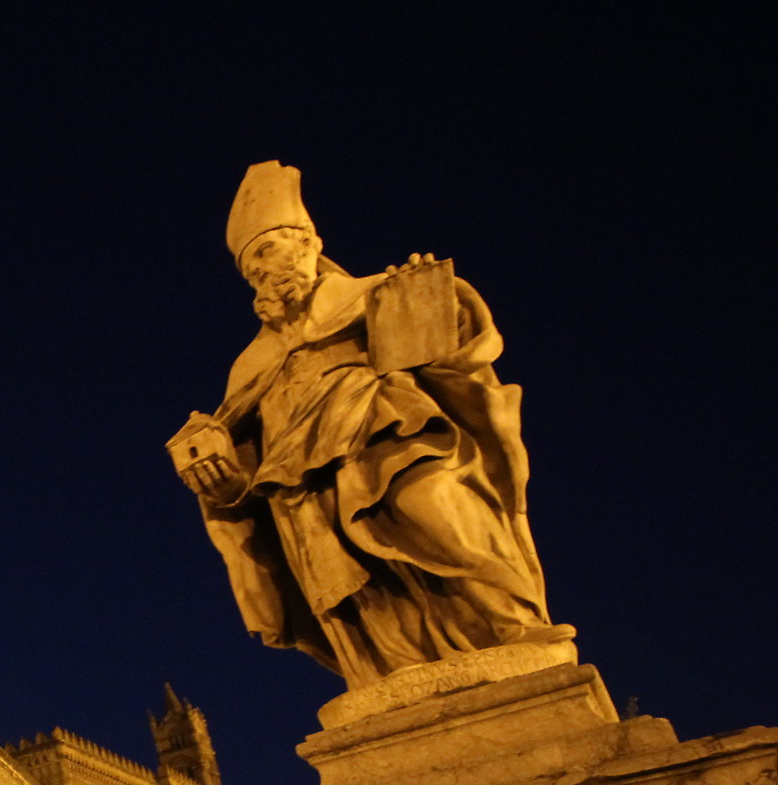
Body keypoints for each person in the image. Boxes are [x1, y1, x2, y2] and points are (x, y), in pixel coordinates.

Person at [171, 161, 558, 689]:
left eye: (266, 251)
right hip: (300, 482)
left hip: (385, 429)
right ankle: (392, 672)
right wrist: (218, 477)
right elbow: (243, 469)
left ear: (307, 243)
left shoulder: (371, 295)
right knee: (350, 583)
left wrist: (431, 299)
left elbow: (461, 353)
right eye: (249, 268)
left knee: (437, 512)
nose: (261, 272)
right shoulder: (250, 363)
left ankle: (512, 625)